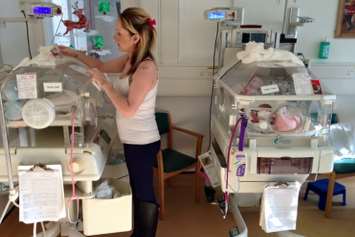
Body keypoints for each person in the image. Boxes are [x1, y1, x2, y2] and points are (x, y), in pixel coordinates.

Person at [57, 7, 160, 237]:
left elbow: (129, 109)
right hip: (133, 140)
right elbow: (100, 67)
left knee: (144, 194)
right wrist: (71, 53)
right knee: (138, 189)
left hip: (142, 143)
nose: (114, 38)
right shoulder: (130, 60)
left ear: (136, 37)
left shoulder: (145, 68)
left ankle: (145, 235)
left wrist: (105, 84)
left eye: (119, 34)